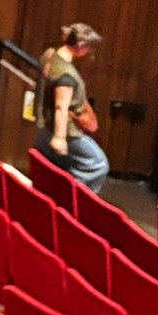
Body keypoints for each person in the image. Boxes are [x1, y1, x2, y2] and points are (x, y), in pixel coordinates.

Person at [36, 22, 109, 190]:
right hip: (65, 131)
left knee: (61, 166)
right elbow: (61, 106)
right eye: (89, 47)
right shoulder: (66, 74)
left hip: (43, 128)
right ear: (81, 45)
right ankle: (71, 197)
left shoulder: (50, 56)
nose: (89, 52)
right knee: (98, 165)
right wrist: (60, 138)